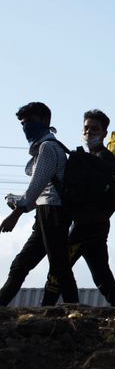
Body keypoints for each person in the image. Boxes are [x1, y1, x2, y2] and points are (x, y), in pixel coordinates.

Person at [43, 109, 115, 306]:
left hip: (86, 226)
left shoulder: (104, 159)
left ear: (105, 133)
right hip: (97, 224)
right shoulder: (89, 158)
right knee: (102, 276)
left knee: (58, 269)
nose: (89, 133)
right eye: (86, 128)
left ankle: (46, 308)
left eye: (95, 129)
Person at [0, 103, 78, 306]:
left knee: (59, 265)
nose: (26, 127)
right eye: (23, 123)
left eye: (30, 122)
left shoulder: (48, 148)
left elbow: (36, 187)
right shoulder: (46, 148)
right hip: (45, 212)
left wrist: (15, 214)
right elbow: (40, 192)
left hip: (53, 213)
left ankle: (74, 307)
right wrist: (18, 201)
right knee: (21, 265)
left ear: (45, 121)